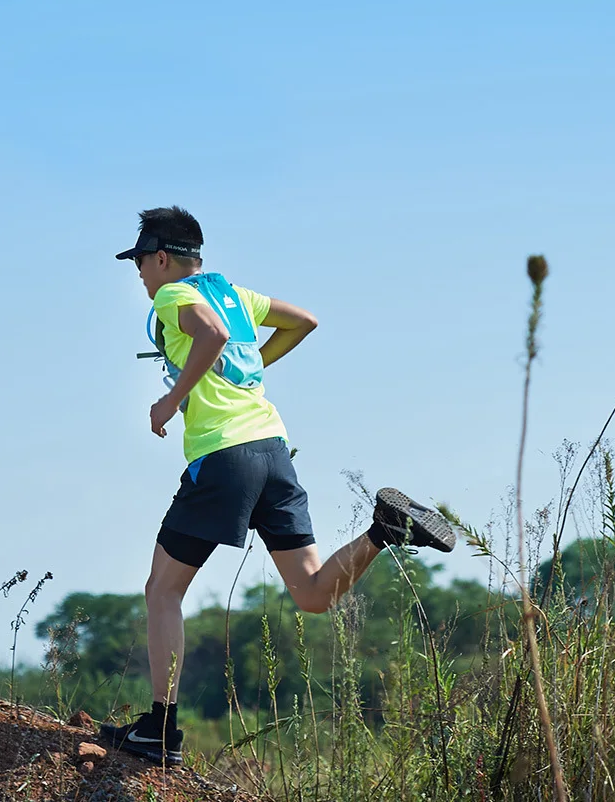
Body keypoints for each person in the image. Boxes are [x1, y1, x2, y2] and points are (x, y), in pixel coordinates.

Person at [101, 206, 455, 765]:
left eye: (140, 262)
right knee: (313, 594)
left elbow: (211, 335)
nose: (139, 274)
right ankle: (383, 530)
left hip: (223, 456)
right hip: (272, 449)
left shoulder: (174, 297)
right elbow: (303, 321)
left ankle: (160, 730)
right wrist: (252, 368)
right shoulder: (233, 294)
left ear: (163, 258)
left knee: (162, 590)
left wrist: (171, 400)